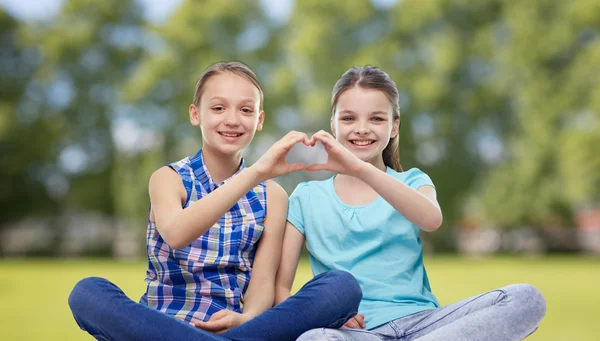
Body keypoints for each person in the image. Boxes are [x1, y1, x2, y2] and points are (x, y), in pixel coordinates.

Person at [68, 61, 361, 341]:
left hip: (237, 327)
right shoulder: (168, 179)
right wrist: (257, 172)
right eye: (218, 108)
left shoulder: (273, 196)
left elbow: (263, 282)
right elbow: (177, 234)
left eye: (246, 110)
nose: (232, 119)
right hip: (161, 324)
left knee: (341, 287)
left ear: (259, 120)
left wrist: (248, 318)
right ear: (196, 114)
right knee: (87, 292)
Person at [274, 65, 546, 341]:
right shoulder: (306, 197)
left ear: (394, 127)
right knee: (314, 339)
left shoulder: (414, 182)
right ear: (333, 124)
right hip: (355, 335)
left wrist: (359, 168)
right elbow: (281, 289)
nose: (362, 128)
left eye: (377, 119)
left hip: (425, 325)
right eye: (349, 118)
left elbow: (431, 219)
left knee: (526, 298)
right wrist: (325, 316)